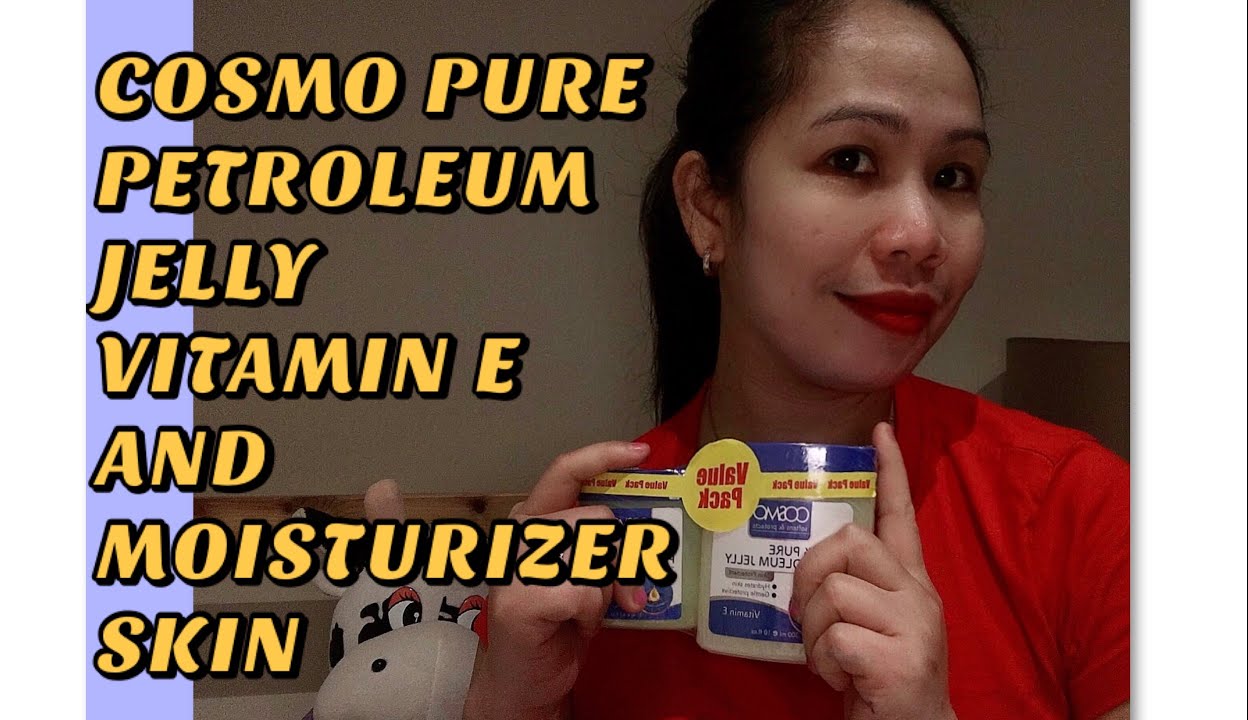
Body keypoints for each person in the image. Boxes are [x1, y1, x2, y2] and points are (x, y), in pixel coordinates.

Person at [464, 0, 1130, 718]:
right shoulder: (582, 565)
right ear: (708, 207)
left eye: (953, 177)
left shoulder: (1084, 512)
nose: (922, 234)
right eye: (851, 160)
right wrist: (511, 701)